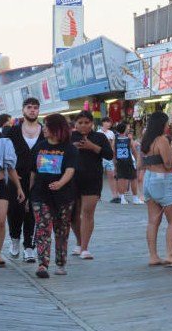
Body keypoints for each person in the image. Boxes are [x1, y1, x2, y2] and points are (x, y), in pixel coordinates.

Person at [30, 114, 78, 278]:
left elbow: (70, 170)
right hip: (40, 194)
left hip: (63, 196)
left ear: (56, 128)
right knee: (42, 228)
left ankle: (60, 262)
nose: (43, 129)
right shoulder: (39, 147)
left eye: (46, 126)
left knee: (62, 229)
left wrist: (60, 183)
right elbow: (32, 171)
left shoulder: (69, 148)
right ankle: (42, 264)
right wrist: (28, 192)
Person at [6, 98, 45, 263]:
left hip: (38, 178)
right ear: (23, 110)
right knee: (15, 210)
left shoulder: (44, 131)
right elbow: (5, 153)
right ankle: (15, 239)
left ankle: (29, 246)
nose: (32, 110)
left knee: (32, 211)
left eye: (35, 108)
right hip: (16, 177)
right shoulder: (13, 131)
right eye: (29, 107)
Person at [140, 112, 172, 266]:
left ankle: (153, 256)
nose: (168, 125)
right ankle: (170, 254)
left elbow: (140, 164)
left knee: (153, 221)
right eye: (166, 123)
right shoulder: (162, 140)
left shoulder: (145, 140)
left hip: (148, 178)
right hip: (162, 179)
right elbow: (169, 164)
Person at [71, 110, 113, 260]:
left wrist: (92, 147)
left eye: (86, 123)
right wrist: (72, 147)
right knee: (73, 215)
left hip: (92, 179)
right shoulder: (70, 137)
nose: (83, 125)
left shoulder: (99, 137)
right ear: (75, 123)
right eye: (80, 122)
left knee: (88, 213)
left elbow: (109, 154)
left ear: (92, 124)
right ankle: (79, 241)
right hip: (72, 179)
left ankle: (85, 248)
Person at [0, 119, 25, 268]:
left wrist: (19, 187)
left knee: (0, 221)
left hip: (1, 185)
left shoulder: (4, 143)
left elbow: (11, 168)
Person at [114, 122, 144, 205]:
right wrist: (138, 160)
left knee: (121, 179)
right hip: (129, 161)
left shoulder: (115, 139)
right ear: (124, 130)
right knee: (133, 178)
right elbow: (134, 151)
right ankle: (135, 198)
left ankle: (122, 199)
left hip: (119, 161)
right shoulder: (128, 140)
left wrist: (115, 163)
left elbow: (113, 151)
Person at [98, 117, 119, 203]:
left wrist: (114, 158)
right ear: (103, 123)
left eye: (110, 122)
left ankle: (114, 195)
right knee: (99, 177)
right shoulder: (98, 133)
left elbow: (113, 146)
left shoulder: (111, 133)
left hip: (109, 157)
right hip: (100, 157)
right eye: (107, 122)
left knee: (111, 176)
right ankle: (98, 195)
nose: (109, 124)